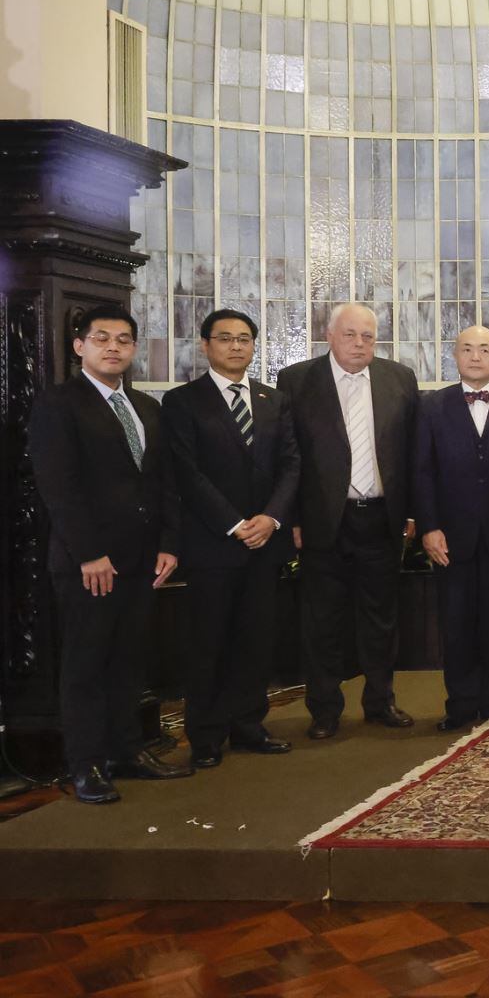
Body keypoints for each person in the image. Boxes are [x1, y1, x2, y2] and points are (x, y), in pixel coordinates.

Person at [27, 305, 187, 804]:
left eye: (123, 339)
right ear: (80, 346)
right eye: (102, 338)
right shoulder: (59, 405)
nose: (113, 347)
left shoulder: (147, 408)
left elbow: (163, 484)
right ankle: (87, 766)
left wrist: (168, 544)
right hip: (89, 563)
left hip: (142, 559)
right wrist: (90, 553)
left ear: (134, 348)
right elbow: (59, 486)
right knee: (87, 664)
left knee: (128, 661)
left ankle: (126, 751)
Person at [161, 309, 300, 767]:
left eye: (244, 339)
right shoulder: (182, 402)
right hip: (212, 544)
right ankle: (204, 736)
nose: (236, 346)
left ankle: (248, 726)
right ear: (205, 345)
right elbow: (186, 473)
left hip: (265, 542)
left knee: (255, 640)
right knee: (209, 643)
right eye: (225, 338)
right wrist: (234, 523)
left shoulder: (273, 400)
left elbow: (291, 465)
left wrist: (271, 519)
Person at [277, 302, 420, 740]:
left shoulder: (400, 378)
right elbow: (290, 456)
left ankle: (380, 701)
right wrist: (295, 517)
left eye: (368, 337)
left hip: (381, 518)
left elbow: (411, 453)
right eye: (350, 335)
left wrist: (413, 510)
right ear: (329, 335)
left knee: (381, 619)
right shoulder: (297, 381)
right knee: (323, 621)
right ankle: (324, 710)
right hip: (323, 521)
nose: (360, 344)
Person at [412, 326, 489, 732]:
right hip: (451, 536)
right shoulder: (432, 406)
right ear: (455, 355)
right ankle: (460, 703)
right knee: (457, 621)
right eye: (467, 349)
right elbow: (423, 472)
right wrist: (429, 526)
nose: (476, 356)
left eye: (485, 349)